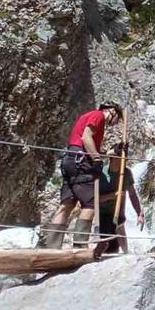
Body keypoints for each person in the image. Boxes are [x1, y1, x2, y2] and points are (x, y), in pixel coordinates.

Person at [45, 104, 123, 249]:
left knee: (67, 204)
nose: (115, 123)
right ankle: (80, 247)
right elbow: (86, 137)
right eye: (117, 119)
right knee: (90, 204)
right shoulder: (98, 115)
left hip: (71, 159)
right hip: (81, 162)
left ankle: (52, 247)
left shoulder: (86, 116)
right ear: (112, 111)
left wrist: (111, 152)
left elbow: (86, 144)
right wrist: (97, 160)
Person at [94, 143, 145, 256]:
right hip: (103, 215)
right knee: (106, 245)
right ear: (113, 158)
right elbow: (94, 199)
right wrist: (112, 196)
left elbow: (132, 195)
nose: (125, 160)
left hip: (118, 215)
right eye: (122, 157)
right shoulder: (101, 173)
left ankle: (126, 255)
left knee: (118, 237)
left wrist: (139, 213)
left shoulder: (126, 173)